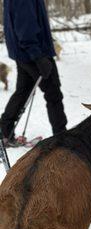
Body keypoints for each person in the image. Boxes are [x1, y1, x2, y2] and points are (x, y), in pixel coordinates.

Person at [0, 0, 67, 147]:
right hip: (34, 53)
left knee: (23, 91)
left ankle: (4, 131)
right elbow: (25, 26)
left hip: (23, 52)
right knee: (53, 93)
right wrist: (38, 57)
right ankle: (62, 139)